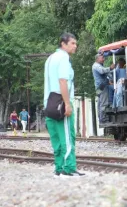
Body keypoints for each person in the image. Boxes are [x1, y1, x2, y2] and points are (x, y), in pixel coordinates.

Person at [44, 32, 84, 177]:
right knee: (67, 137)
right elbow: (63, 81)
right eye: (72, 43)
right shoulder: (63, 58)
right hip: (61, 104)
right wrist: (67, 104)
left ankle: (59, 168)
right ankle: (69, 169)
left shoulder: (50, 58)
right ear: (63, 44)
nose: (75, 46)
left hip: (49, 104)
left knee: (56, 138)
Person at [92, 53, 115, 124]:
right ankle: (103, 120)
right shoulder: (96, 66)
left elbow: (105, 74)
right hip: (102, 87)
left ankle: (101, 118)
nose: (104, 59)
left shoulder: (99, 65)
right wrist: (110, 68)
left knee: (101, 103)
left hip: (101, 86)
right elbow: (102, 71)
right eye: (102, 58)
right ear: (97, 58)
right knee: (104, 103)